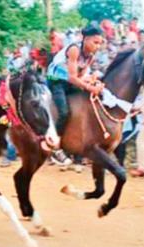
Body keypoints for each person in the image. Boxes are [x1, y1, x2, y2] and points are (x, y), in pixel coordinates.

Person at [46, 24, 105, 166]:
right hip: (57, 81)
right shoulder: (74, 50)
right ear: (85, 39)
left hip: (69, 81)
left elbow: (81, 75)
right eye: (95, 42)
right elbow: (73, 78)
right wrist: (90, 87)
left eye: (100, 43)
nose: (98, 46)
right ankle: (55, 147)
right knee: (64, 112)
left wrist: (92, 81)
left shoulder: (90, 55)